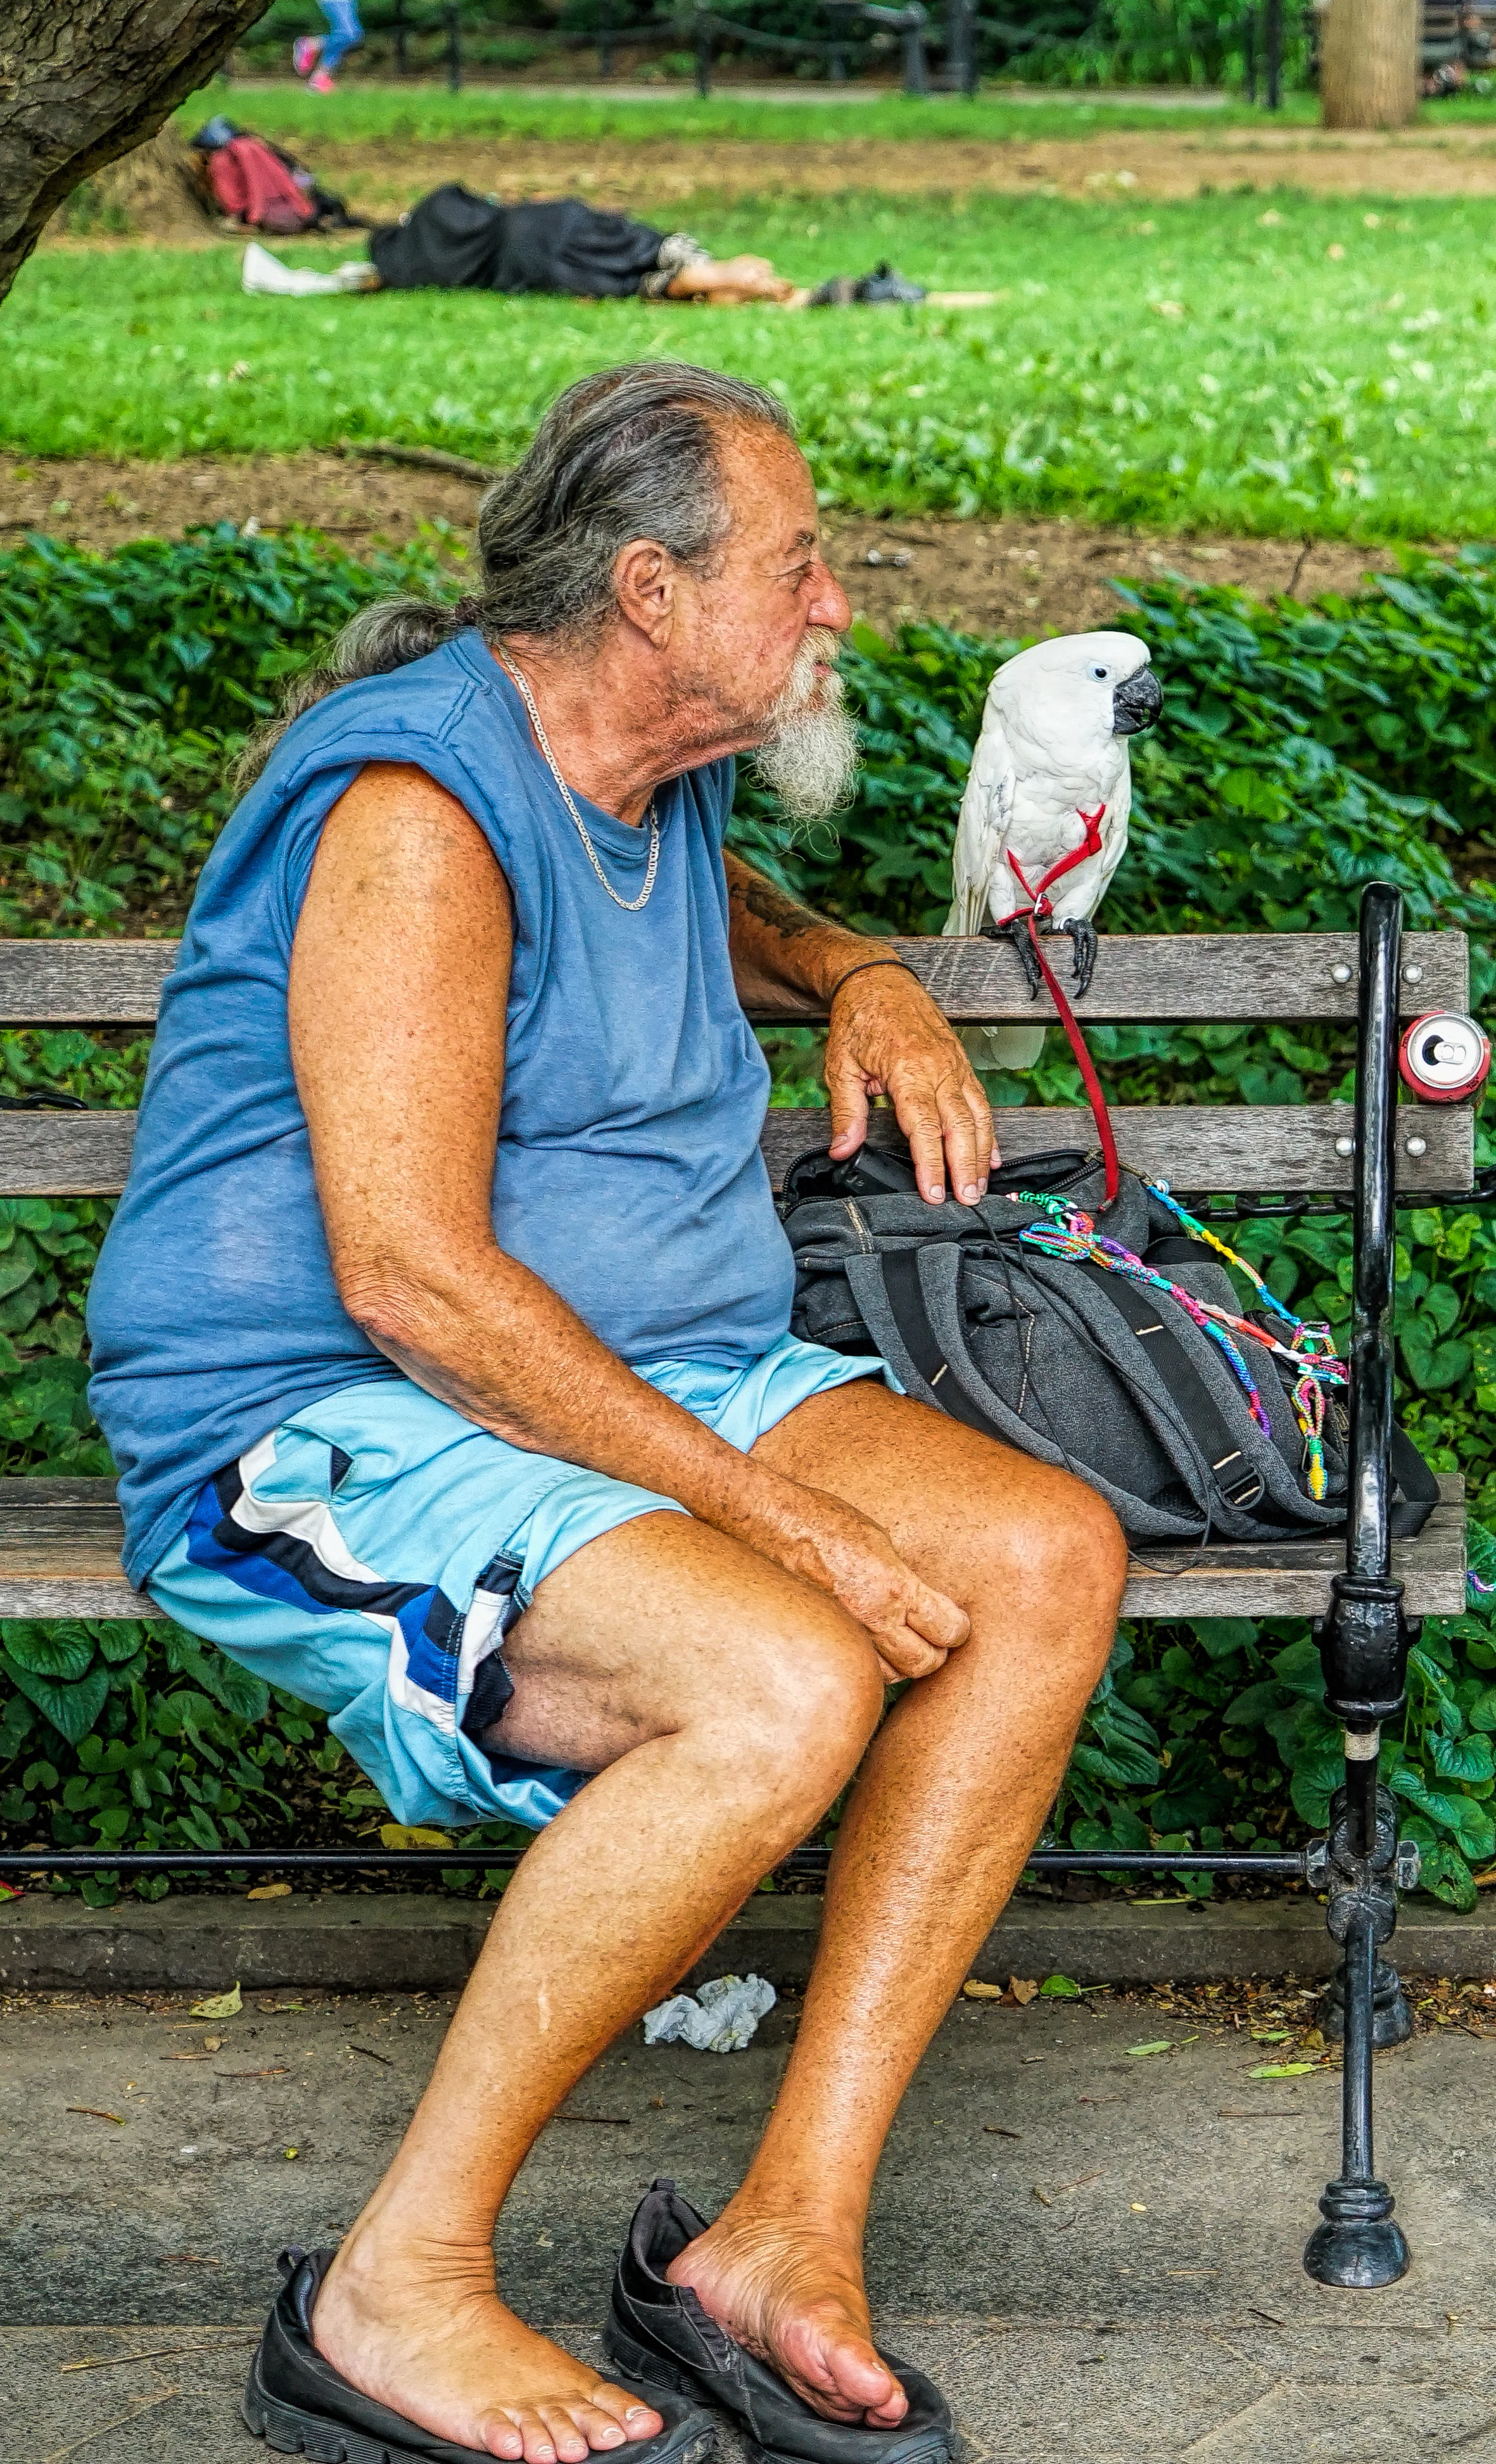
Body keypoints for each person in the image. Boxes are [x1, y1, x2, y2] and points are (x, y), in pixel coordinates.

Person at [86, 362, 1125, 2464]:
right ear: (651, 590)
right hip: (332, 1407)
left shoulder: (666, 760)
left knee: (1037, 1557)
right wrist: (779, 1516)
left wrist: (855, 967)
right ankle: (396, 2281)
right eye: (802, 561)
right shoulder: (413, 811)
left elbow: (702, 899)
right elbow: (412, 1278)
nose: (841, 603)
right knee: (774, 1671)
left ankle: (779, 2235)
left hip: (646, 1372)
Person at [239, 182, 924, 307]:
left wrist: (753, 282)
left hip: (535, 237)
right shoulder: (657, 263)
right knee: (439, 246)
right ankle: (342, 275)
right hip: (535, 240)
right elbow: (700, 280)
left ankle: (333, 276)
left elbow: (699, 281)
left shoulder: (660, 266)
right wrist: (755, 284)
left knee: (440, 243)